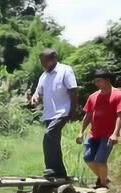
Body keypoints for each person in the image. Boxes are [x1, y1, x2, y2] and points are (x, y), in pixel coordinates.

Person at [30, 48, 78, 178]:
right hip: (49, 114)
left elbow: (73, 91)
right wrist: (35, 97)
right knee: (53, 142)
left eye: (44, 61)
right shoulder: (44, 76)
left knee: (48, 135)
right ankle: (60, 173)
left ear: (53, 59)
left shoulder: (65, 70)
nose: (42, 64)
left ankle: (51, 169)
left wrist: (73, 111)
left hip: (63, 111)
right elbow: (38, 92)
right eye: (41, 61)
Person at [76, 69, 121, 189]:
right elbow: (88, 116)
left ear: (107, 80)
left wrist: (115, 134)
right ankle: (104, 179)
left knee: (100, 160)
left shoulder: (118, 94)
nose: (96, 83)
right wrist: (81, 131)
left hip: (108, 134)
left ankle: (102, 186)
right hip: (93, 133)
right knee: (88, 157)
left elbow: (119, 116)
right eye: (95, 81)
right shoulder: (93, 96)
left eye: (99, 81)